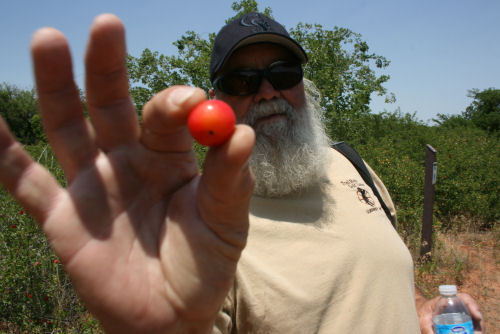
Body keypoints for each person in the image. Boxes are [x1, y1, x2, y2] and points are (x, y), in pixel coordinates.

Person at [0, 12, 483, 334]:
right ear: (218, 102)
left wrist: (421, 306)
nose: (268, 90)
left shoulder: (349, 162)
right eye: (242, 81)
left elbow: (385, 275)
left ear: (304, 85)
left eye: (283, 72)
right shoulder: (204, 226)